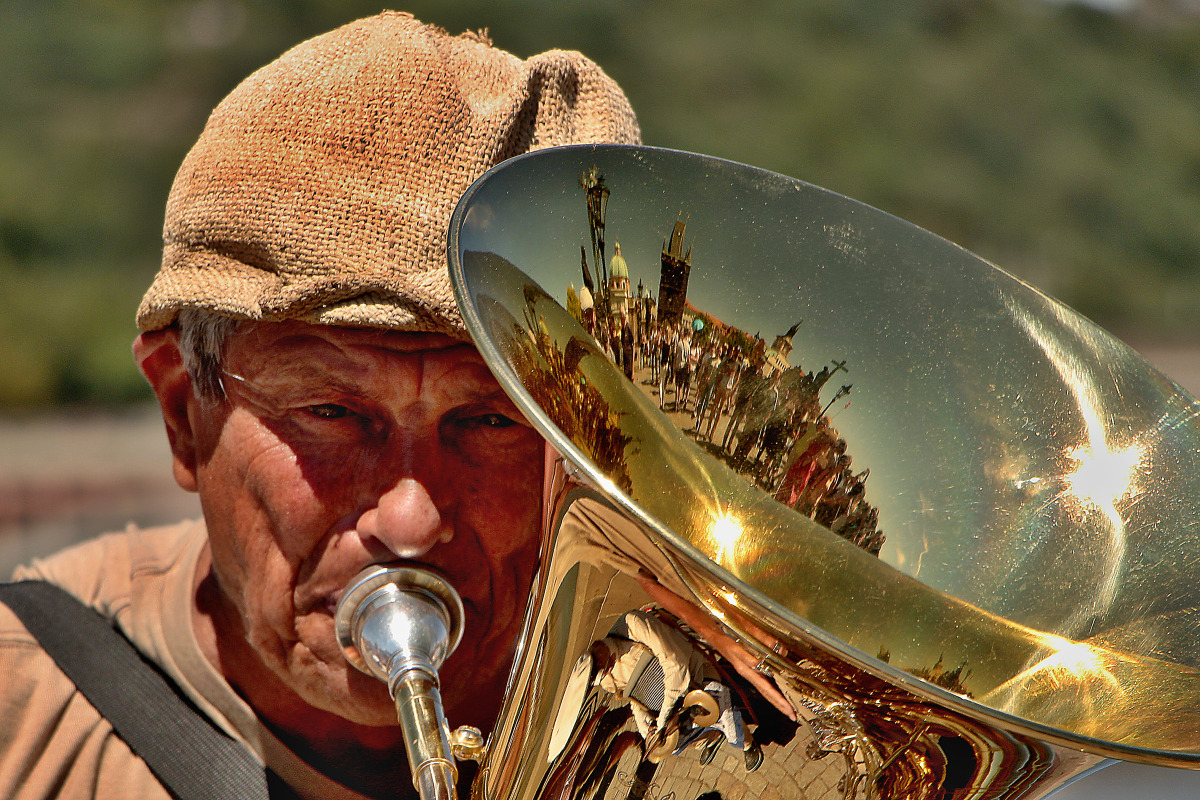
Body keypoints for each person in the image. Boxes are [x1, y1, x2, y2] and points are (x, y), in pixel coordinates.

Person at [0, 12, 639, 800]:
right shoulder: (20, 706)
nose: (410, 522)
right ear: (180, 411)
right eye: (331, 415)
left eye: (492, 420)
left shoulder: (697, 714)